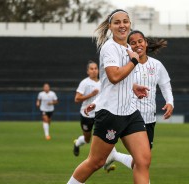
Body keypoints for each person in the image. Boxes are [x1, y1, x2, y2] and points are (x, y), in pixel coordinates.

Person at [67, 9, 151, 184]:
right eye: (117, 22)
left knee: (143, 161)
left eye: (125, 21)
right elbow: (113, 77)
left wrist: (134, 87)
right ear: (110, 27)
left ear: (130, 24)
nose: (122, 25)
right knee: (95, 162)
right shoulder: (109, 47)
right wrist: (134, 61)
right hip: (111, 114)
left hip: (130, 112)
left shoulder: (128, 48)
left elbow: (117, 79)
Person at [104, 30, 174, 173]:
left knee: (142, 161)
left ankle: (114, 155)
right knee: (142, 162)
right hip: (129, 117)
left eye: (140, 41)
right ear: (129, 46)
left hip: (149, 119)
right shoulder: (125, 65)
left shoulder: (157, 65)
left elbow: (165, 85)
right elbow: (112, 83)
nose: (137, 45)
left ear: (146, 43)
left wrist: (170, 102)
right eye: (133, 43)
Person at [73, 60, 101, 156]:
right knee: (87, 139)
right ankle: (77, 143)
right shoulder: (84, 83)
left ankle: (105, 161)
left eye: (95, 68)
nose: (94, 70)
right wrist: (91, 94)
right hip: (86, 115)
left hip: (99, 114)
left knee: (103, 138)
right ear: (88, 71)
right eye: (91, 69)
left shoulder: (103, 82)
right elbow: (77, 99)